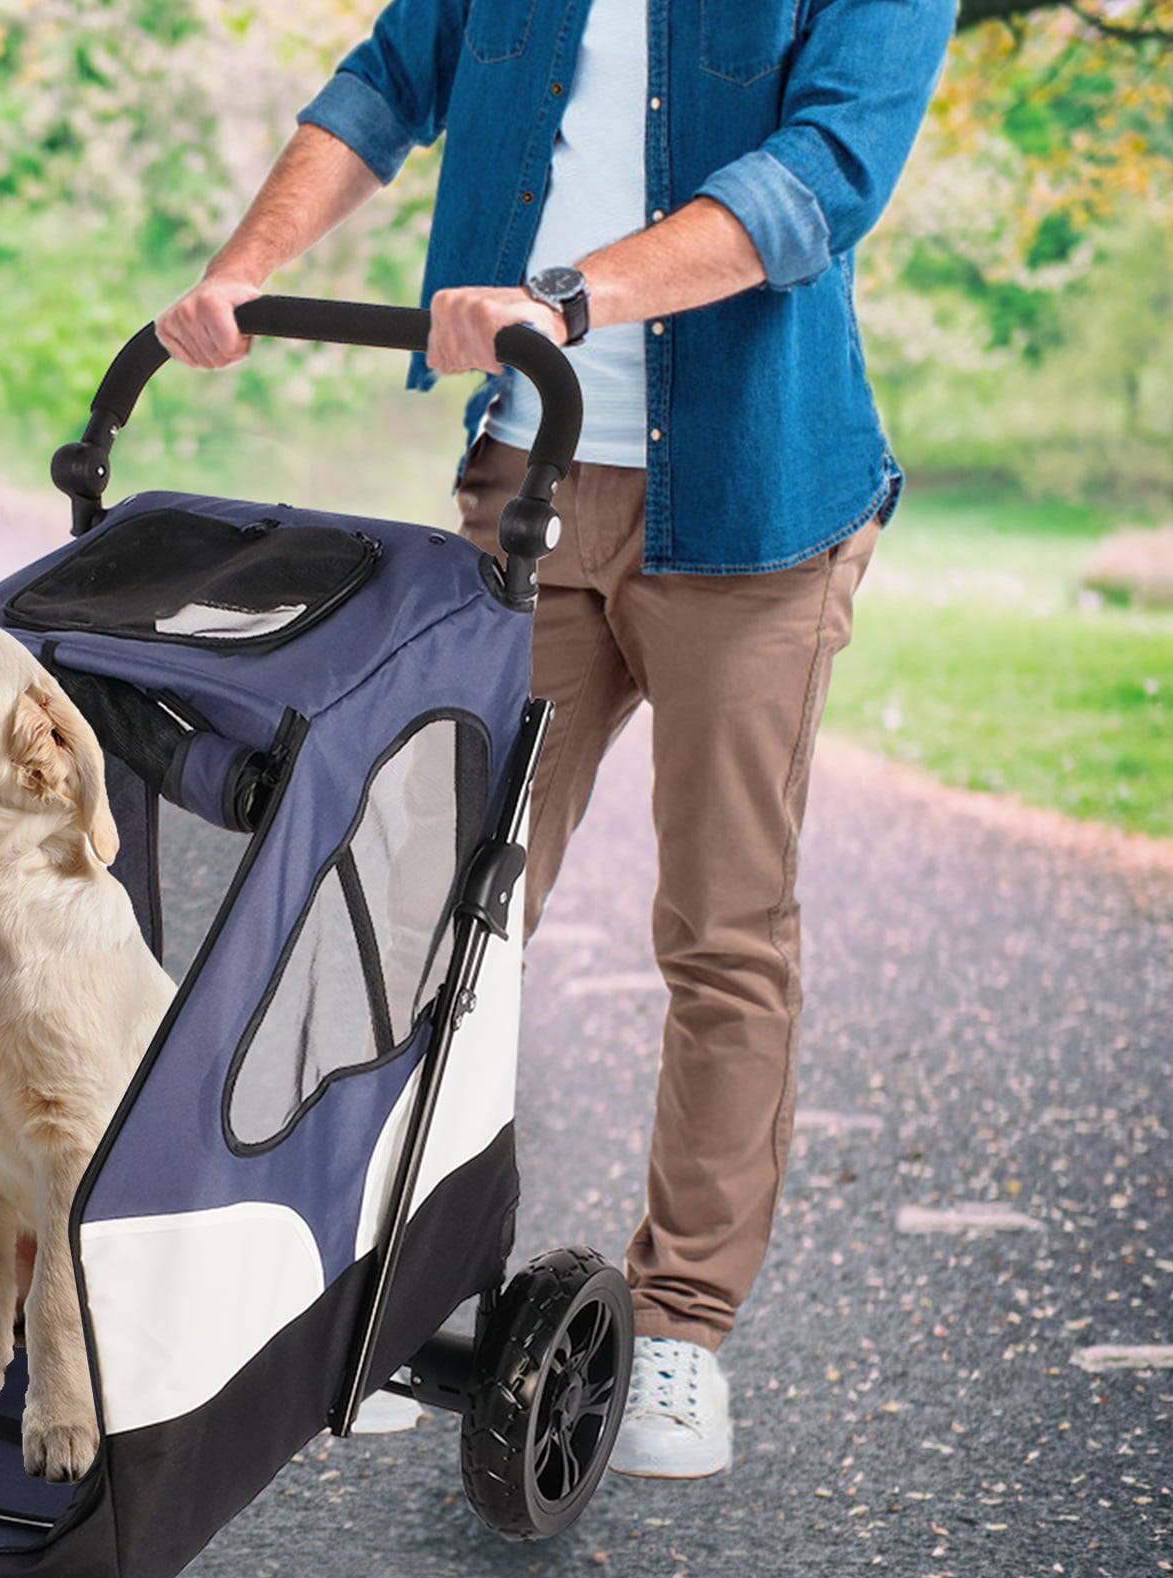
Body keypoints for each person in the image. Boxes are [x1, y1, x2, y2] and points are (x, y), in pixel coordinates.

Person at [158, 0, 957, 1477]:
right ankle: (380, 1281)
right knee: (448, 900)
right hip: (531, 480)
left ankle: (681, 1332)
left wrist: (572, 298)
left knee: (722, 926)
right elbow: (384, 88)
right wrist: (242, 272)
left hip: (760, 500)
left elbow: (828, 173)